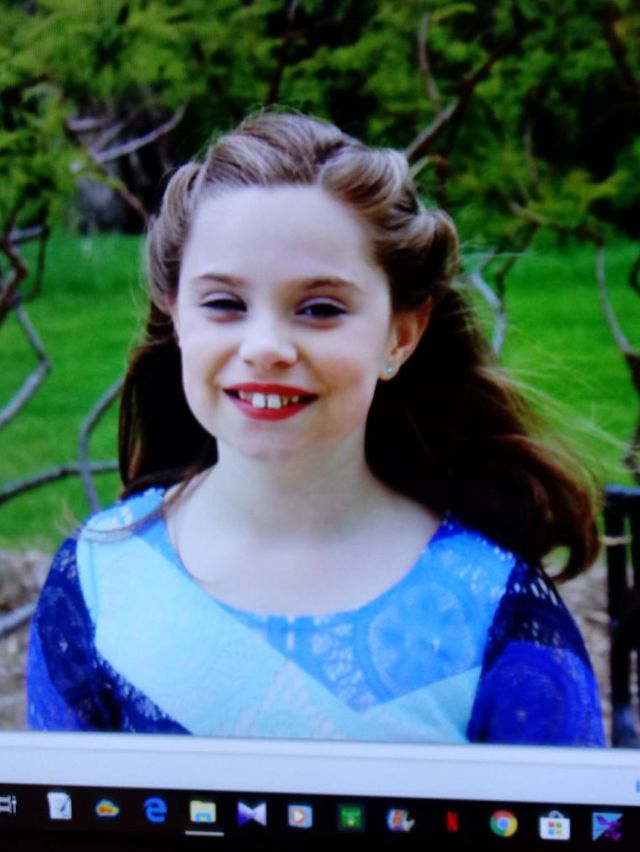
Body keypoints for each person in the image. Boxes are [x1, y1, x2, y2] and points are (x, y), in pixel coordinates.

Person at [27, 111, 605, 745]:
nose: (265, 347)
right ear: (176, 317)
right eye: (224, 303)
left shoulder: (492, 606)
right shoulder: (100, 581)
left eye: (320, 308)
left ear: (401, 334)